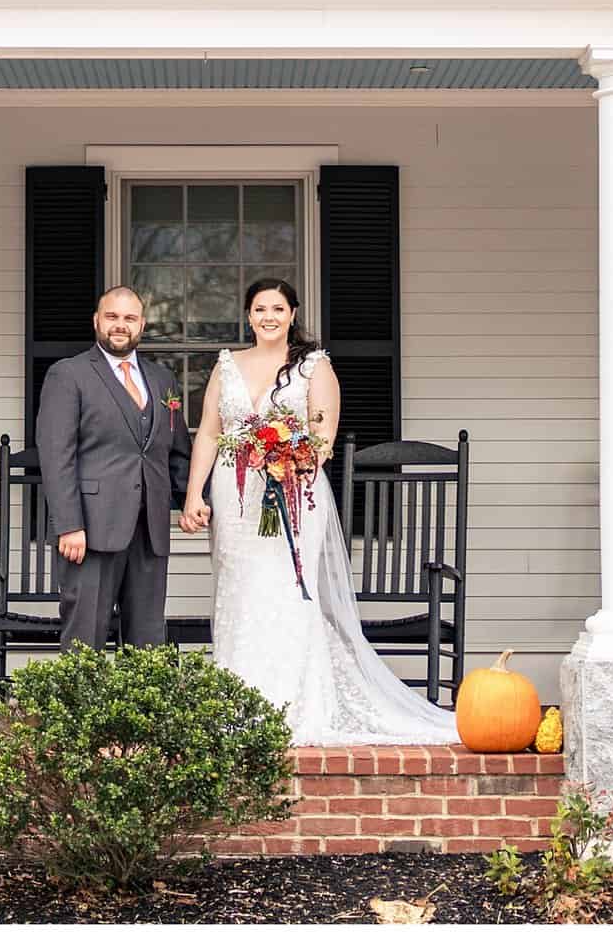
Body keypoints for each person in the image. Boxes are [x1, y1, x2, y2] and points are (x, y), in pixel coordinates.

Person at [180, 277, 460, 746]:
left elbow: (322, 439)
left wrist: (283, 462)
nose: (268, 316)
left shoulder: (314, 366)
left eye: (277, 308)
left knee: (289, 592)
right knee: (239, 592)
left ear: (292, 314)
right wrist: (194, 495)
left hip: (293, 494)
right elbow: (209, 432)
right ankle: (237, 707)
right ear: (248, 316)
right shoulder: (226, 366)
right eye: (259, 309)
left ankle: (292, 705)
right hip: (235, 497)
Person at [34, 285, 192, 651]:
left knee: (147, 642)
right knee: (85, 640)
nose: (120, 325)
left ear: (142, 325)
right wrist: (69, 524)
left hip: (149, 530)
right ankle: (79, 709)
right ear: (96, 321)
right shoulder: (68, 374)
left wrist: (193, 501)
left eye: (129, 318)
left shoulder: (161, 379)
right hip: (90, 530)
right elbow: (57, 455)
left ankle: (139, 711)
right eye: (112, 317)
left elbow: (176, 450)